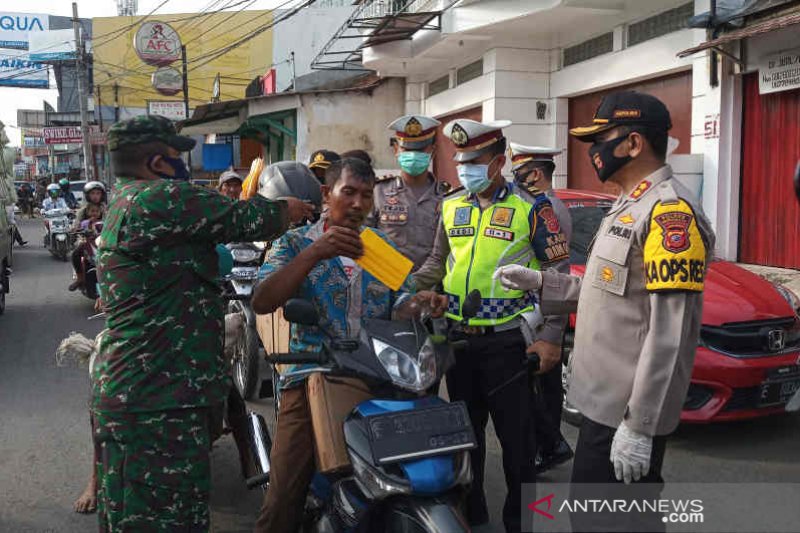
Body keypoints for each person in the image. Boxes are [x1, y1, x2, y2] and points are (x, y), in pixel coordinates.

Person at [494, 91, 715, 532]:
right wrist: (542, 282)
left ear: (633, 143)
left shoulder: (669, 212)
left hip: (626, 413)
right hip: (602, 408)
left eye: (600, 138)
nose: (593, 150)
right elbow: (606, 292)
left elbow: (670, 334)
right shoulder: (628, 203)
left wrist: (641, 425)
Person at [90, 115, 314, 532]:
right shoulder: (161, 199)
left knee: (129, 513)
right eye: (177, 156)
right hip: (159, 398)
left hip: (142, 392)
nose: (183, 166)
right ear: (157, 162)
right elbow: (248, 219)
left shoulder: (126, 200)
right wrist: (291, 208)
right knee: (169, 520)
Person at [251, 157, 439, 533]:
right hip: (311, 377)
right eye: (348, 192)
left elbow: (399, 303)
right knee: (283, 498)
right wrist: (314, 253)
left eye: (366, 195)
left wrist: (420, 304)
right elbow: (262, 300)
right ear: (327, 194)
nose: (357, 203)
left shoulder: (380, 247)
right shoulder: (293, 242)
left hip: (378, 376)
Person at [413, 119, 570, 533]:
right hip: (459, 341)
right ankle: (473, 515)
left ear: (498, 162)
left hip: (509, 344)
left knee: (518, 445)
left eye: (474, 161)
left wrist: (552, 338)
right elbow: (436, 262)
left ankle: (525, 524)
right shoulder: (451, 206)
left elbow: (558, 274)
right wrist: (406, 289)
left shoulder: (533, 209)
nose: (465, 169)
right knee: (467, 439)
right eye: (461, 161)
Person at [508, 143, 574, 475]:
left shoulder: (547, 209)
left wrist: (551, 330)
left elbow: (556, 272)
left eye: (517, 172)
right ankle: (546, 446)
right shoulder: (533, 206)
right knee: (535, 391)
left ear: (534, 173)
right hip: (533, 310)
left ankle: (548, 447)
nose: (513, 178)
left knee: (540, 392)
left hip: (540, 313)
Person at [367, 114, 449, 272]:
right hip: (386, 282)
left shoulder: (447, 197)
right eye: (407, 149)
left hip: (432, 290)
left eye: (420, 150)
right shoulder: (377, 192)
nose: (413, 155)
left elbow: (444, 254)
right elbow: (366, 240)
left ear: (432, 150)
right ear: (396, 149)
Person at [69, 182, 108, 291]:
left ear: (102, 195)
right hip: (86, 240)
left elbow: (112, 222)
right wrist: (76, 228)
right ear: (87, 195)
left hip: (104, 239)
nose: (95, 196)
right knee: (75, 254)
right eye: (92, 193)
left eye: (98, 193)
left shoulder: (106, 209)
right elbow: (76, 224)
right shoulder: (83, 210)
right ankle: (80, 278)